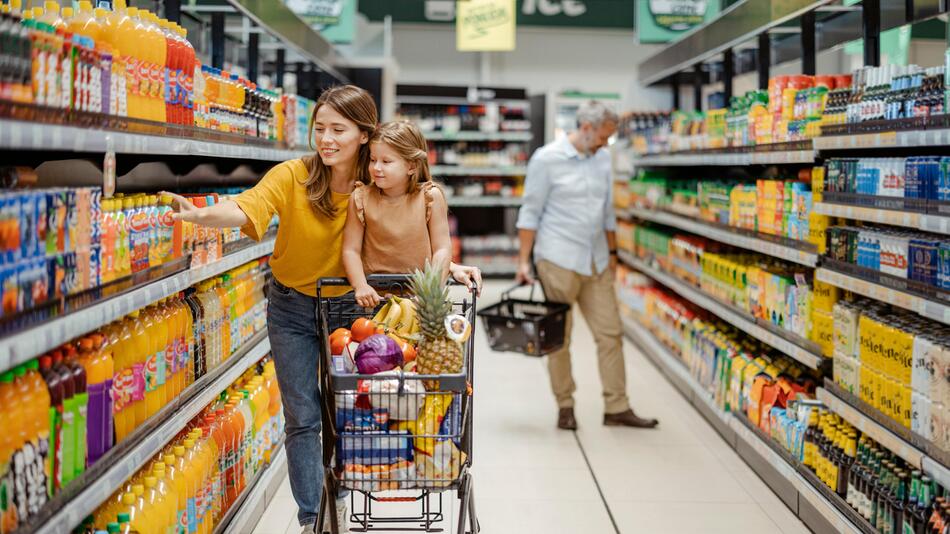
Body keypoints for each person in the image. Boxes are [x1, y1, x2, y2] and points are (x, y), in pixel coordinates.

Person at [162, 85, 482, 534]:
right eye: (320, 128)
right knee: (302, 416)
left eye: (338, 130)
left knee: (351, 410)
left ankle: (345, 494)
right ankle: (312, 518)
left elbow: (407, 239)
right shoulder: (293, 176)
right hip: (291, 307)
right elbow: (245, 207)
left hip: (353, 311)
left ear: (364, 135)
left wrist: (452, 264)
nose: (326, 139)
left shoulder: (377, 187)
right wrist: (200, 215)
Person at [515, 100, 659, 431]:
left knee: (610, 333)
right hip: (558, 259)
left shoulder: (602, 159)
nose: (606, 143)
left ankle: (616, 406)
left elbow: (608, 211)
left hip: (595, 260)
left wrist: (611, 254)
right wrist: (523, 261)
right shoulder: (547, 159)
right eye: (603, 136)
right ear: (585, 128)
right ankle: (565, 406)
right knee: (559, 337)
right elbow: (530, 212)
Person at [342, 121, 452, 307]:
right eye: (373, 159)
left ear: (411, 166)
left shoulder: (429, 197)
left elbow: (442, 248)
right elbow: (350, 249)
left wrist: (432, 291)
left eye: (386, 162)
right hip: (374, 300)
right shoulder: (360, 198)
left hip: (420, 300)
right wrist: (360, 285)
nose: (376, 167)